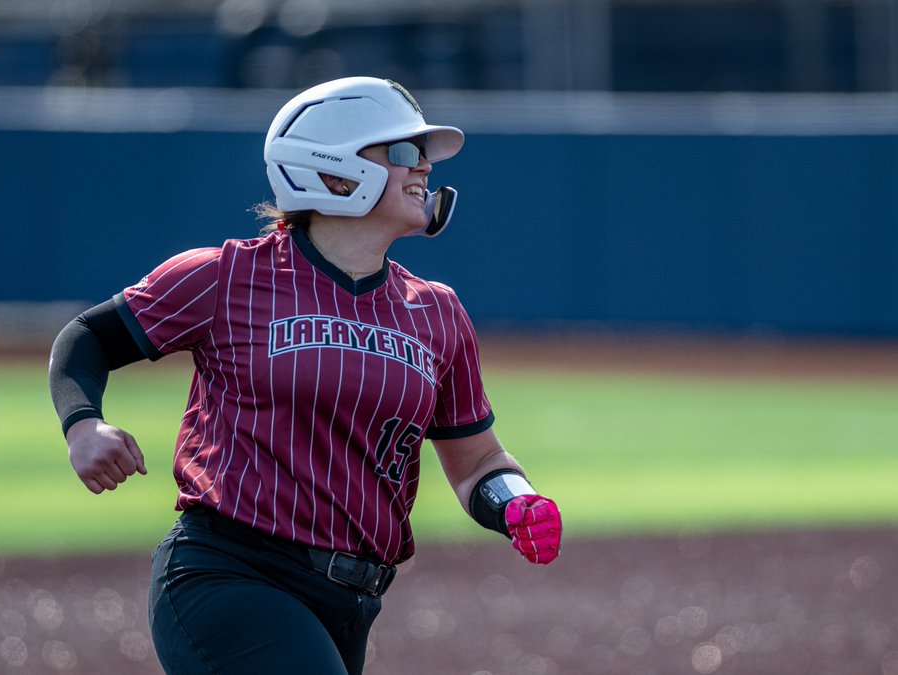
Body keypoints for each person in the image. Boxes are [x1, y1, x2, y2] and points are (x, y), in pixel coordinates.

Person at [48, 76, 562, 675]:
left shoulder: (439, 313)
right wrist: (83, 426)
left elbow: (476, 463)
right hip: (230, 575)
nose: (423, 167)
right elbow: (86, 338)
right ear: (334, 167)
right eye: (402, 152)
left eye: (424, 153)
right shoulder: (227, 276)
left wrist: (516, 502)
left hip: (351, 603)